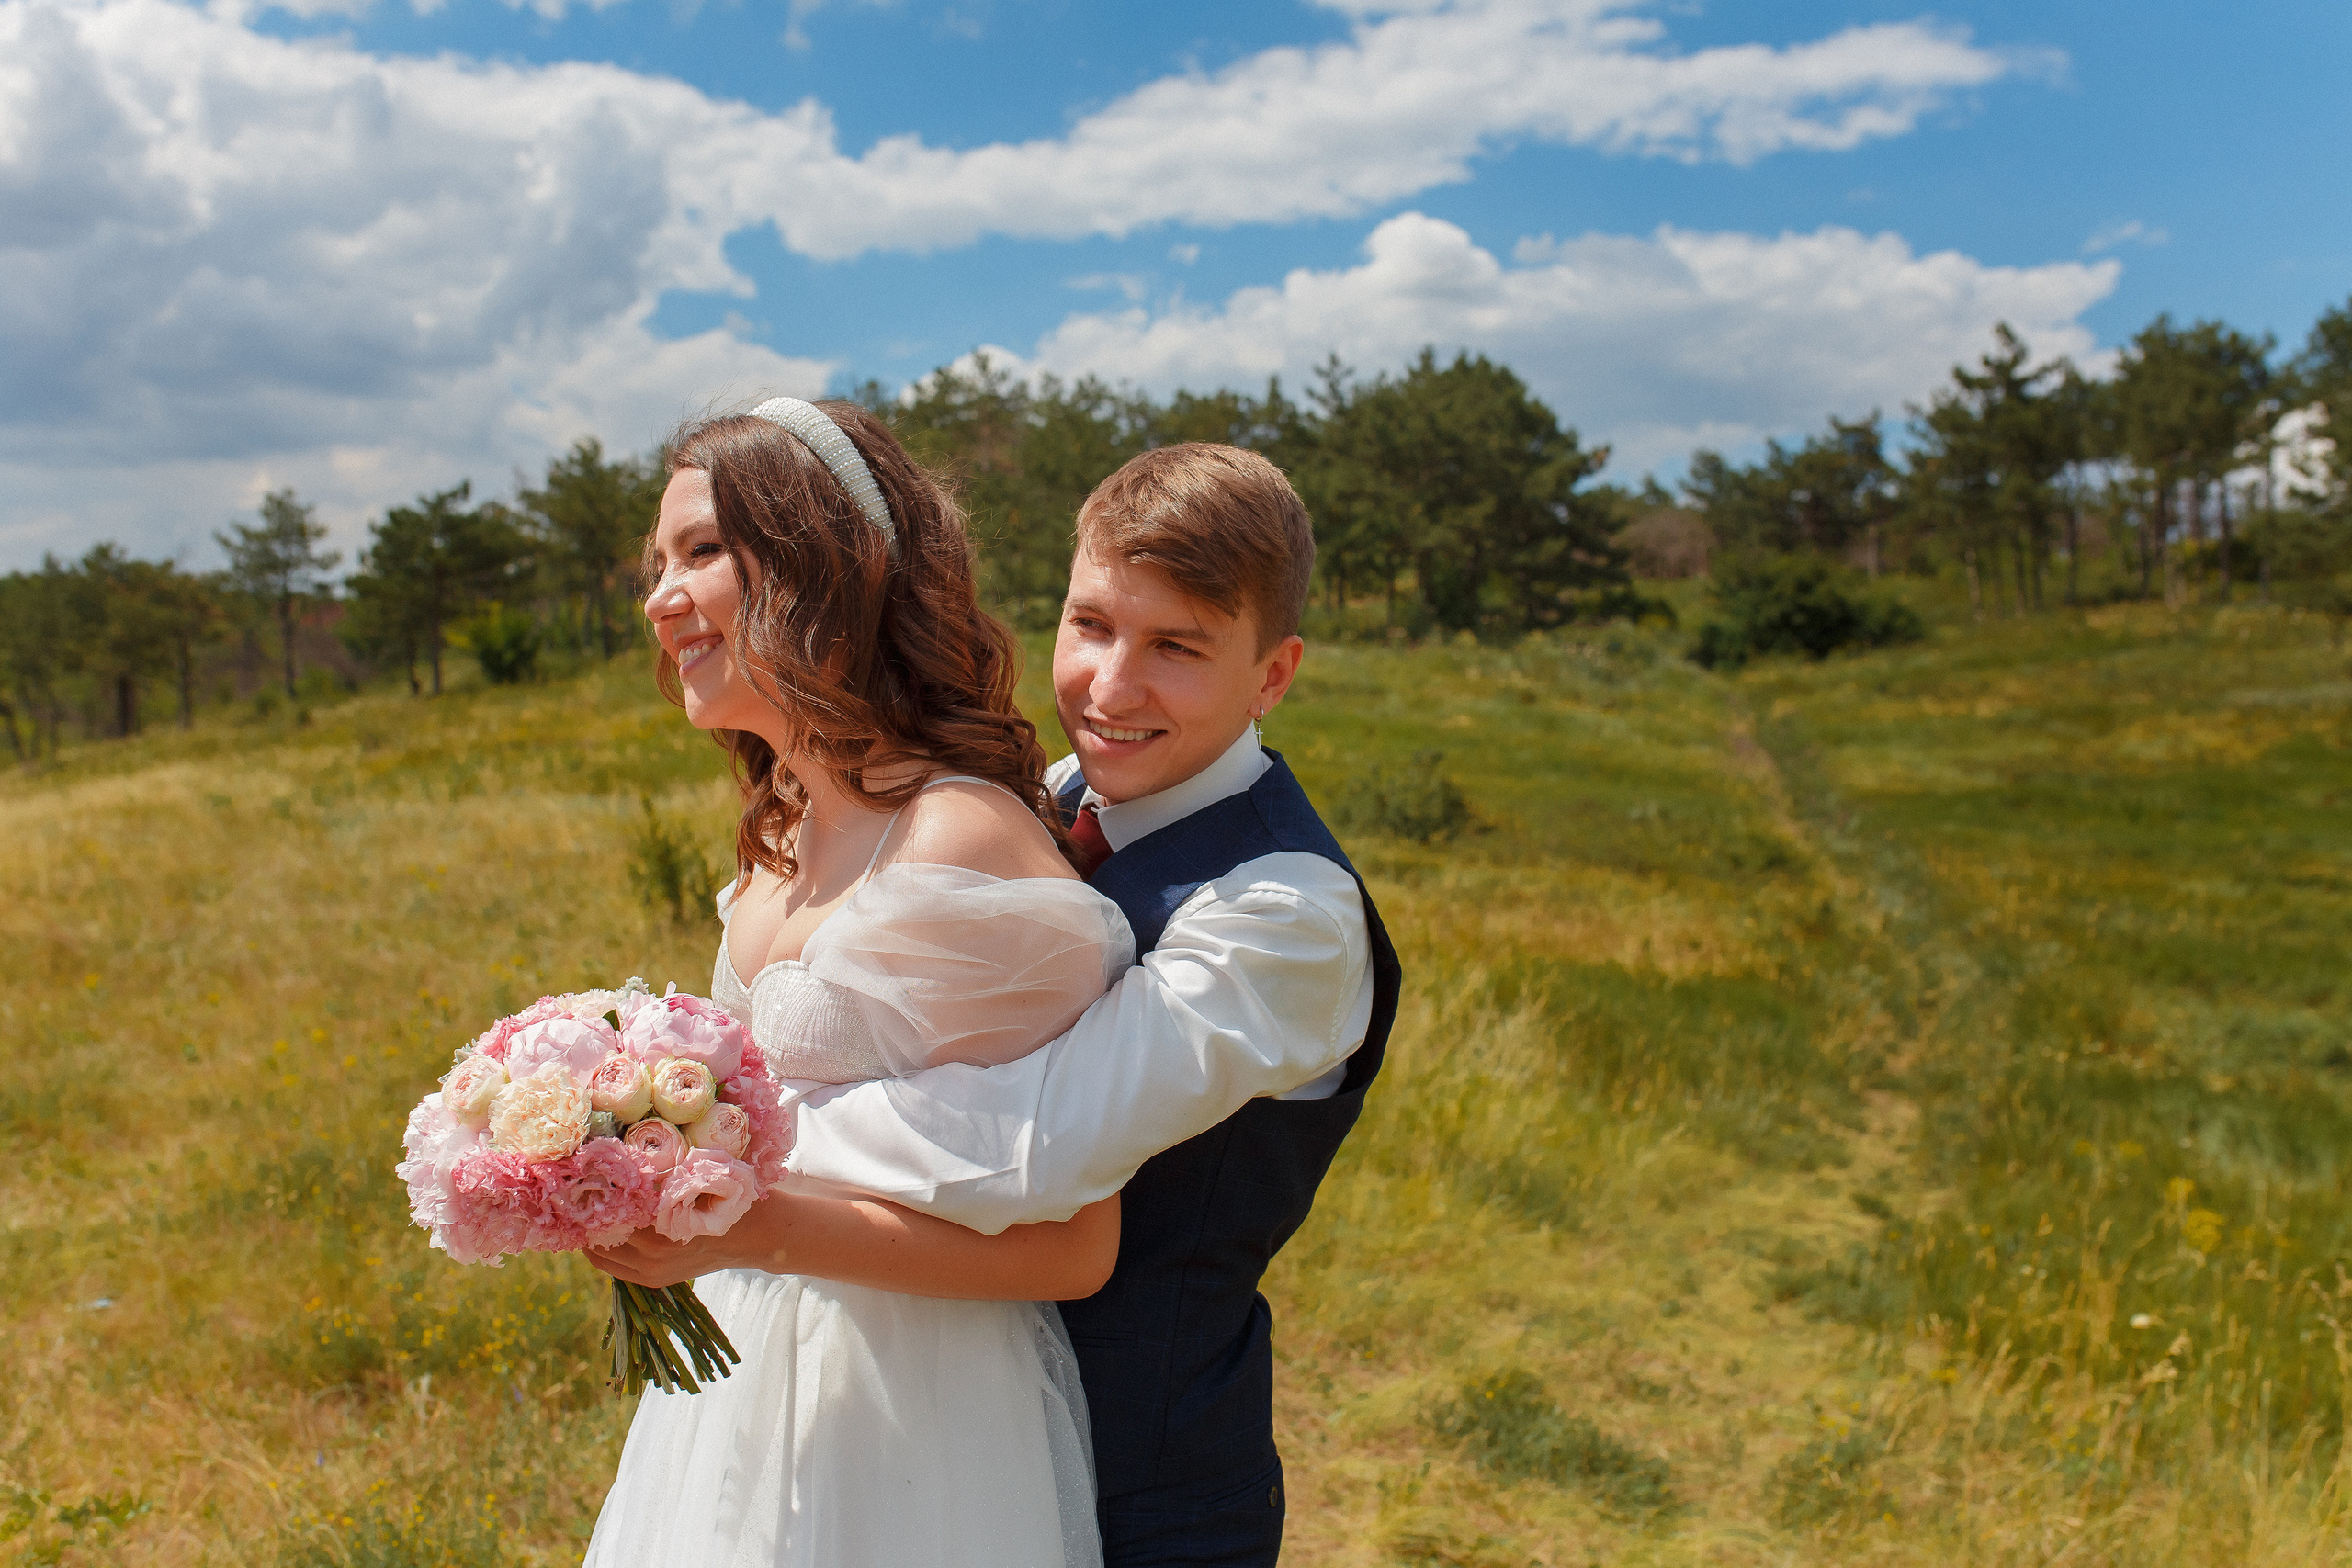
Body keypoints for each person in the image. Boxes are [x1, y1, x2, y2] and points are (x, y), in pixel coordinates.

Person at [781, 443, 1405, 1567]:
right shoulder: (1053, 796)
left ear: (1273, 674)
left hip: (1139, 1491)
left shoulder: (1285, 911)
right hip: (931, 1443)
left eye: (1177, 646)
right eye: (1092, 626)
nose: (1110, 689)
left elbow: (1037, 1144)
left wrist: (740, 1133)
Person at [584, 397, 1136, 1568]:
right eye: (655, 564)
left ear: (819, 566)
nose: (658, 599)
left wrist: (753, 1229)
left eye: (700, 553)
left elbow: (1073, 1244)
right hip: (741, 1377)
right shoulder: (785, 827)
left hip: (914, 1408)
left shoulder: (961, 840)